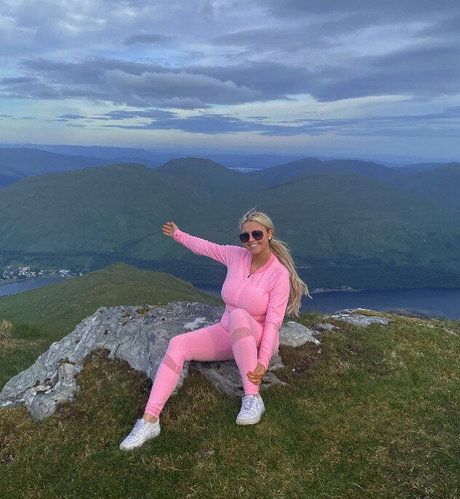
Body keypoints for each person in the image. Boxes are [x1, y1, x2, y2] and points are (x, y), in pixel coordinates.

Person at [119, 208, 312, 451]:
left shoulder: (278, 274)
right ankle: (149, 420)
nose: (251, 240)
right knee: (178, 344)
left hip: (259, 337)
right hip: (228, 330)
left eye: (257, 234)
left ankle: (252, 397)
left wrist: (263, 361)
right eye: (245, 236)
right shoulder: (235, 256)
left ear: (269, 234)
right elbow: (205, 247)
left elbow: (273, 322)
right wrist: (178, 234)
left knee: (239, 314)